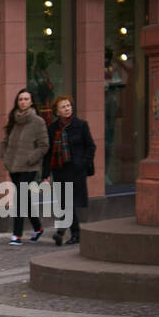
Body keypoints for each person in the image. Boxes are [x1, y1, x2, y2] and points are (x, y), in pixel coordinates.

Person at [41, 96, 97, 246]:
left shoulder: (81, 125)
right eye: (63, 107)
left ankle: (64, 231)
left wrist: (84, 163)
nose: (67, 108)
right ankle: (71, 233)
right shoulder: (52, 129)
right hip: (59, 170)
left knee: (69, 203)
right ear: (57, 112)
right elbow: (48, 153)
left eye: (68, 106)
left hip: (76, 170)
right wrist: (45, 174)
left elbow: (91, 146)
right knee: (65, 204)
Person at [1, 88, 50, 245]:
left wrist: (31, 158)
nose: (22, 102)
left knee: (19, 198)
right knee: (25, 199)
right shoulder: (14, 119)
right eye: (20, 99)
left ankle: (17, 235)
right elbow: (6, 140)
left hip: (29, 167)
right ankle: (38, 228)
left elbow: (44, 145)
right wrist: (5, 156)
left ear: (31, 102)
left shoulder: (38, 121)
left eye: (26, 99)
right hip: (14, 166)